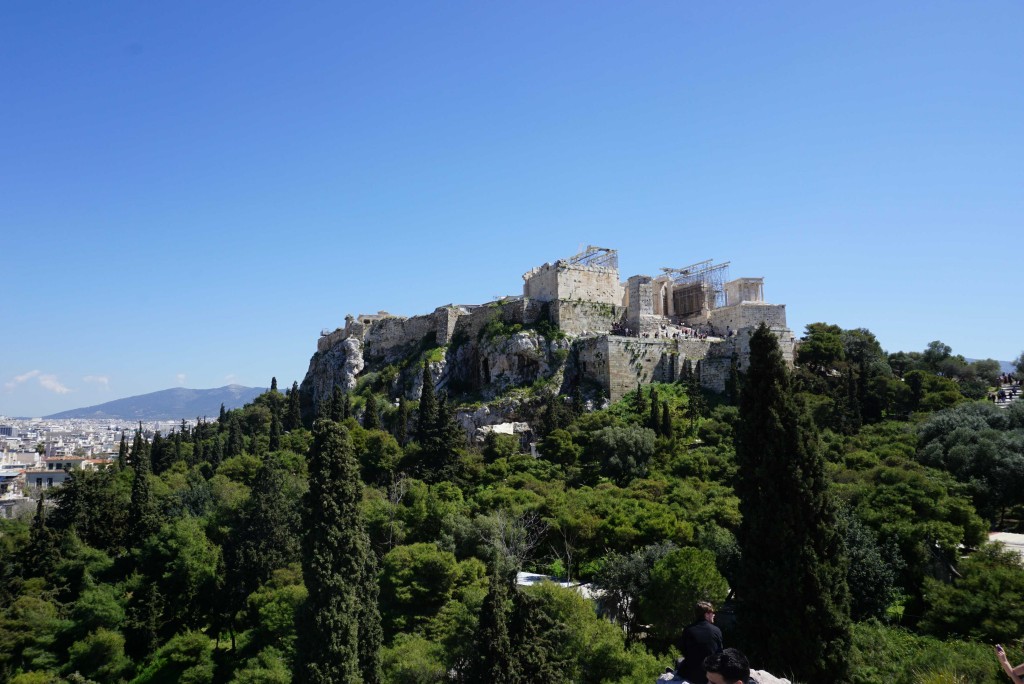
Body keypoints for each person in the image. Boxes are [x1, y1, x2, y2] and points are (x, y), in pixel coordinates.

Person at [680, 601, 723, 684]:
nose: (714, 614)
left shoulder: (687, 630)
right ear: (706, 615)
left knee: (679, 661)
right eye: (712, 612)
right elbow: (719, 653)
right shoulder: (716, 630)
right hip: (710, 675)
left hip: (691, 675)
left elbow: (684, 651)